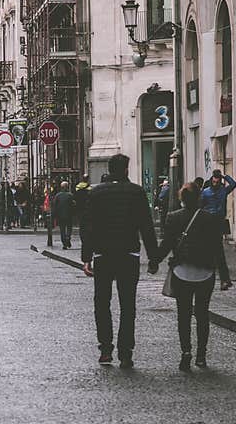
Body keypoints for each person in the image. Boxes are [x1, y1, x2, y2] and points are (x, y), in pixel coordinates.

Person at [81, 154, 158, 368]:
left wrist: (86, 258)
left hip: (103, 255)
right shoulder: (136, 192)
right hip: (128, 254)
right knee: (127, 305)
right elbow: (146, 226)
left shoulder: (96, 193)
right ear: (126, 169)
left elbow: (88, 227)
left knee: (102, 303)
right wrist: (153, 258)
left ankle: (105, 349)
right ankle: (126, 352)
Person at [149, 182, 220, 371]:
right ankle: (201, 356)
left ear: (181, 198)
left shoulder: (173, 217)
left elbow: (166, 244)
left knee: (184, 314)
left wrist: (154, 260)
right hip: (205, 271)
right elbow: (217, 248)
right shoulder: (210, 219)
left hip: (182, 270)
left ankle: (186, 352)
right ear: (199, 198)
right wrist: (225, 275)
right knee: (203, 315)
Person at [200, 169, 236, 291]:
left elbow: (233, 184)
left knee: (217, 252)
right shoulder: (205, 193)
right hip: (208, 223)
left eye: (217, 181)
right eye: (214, 181)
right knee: (214, 253)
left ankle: (224, 280)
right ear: (211, 181)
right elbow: (200, 206)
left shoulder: (223, 191)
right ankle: (223, 280)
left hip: (218, 222)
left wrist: (224, 176)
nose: (215, 183)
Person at [53, 181, 74, 249]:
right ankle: (68, 238)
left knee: (62, 229)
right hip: (69, 214)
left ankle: (64, 243)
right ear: (67, 187)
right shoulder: (70, 195)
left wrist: (55, 215)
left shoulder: (57, 195)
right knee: (69, 228)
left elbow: (54, 206)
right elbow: (73, 205)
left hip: (60, 215)